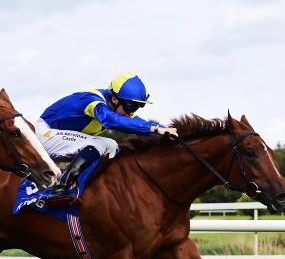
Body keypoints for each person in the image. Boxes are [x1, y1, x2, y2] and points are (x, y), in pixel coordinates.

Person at [36, 73, 178, 201]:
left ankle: (81, 189)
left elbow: (138, 123)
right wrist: (155, 128)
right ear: (115, 99)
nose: (131, 112)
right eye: (131, 107)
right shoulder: (93, 100)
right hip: (43, 136)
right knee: (103, 143)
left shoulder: (117, 105)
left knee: (113, 148)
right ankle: (60, 189)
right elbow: (111, 120)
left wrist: (170, 133)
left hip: (60, 141)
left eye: (137, 107)